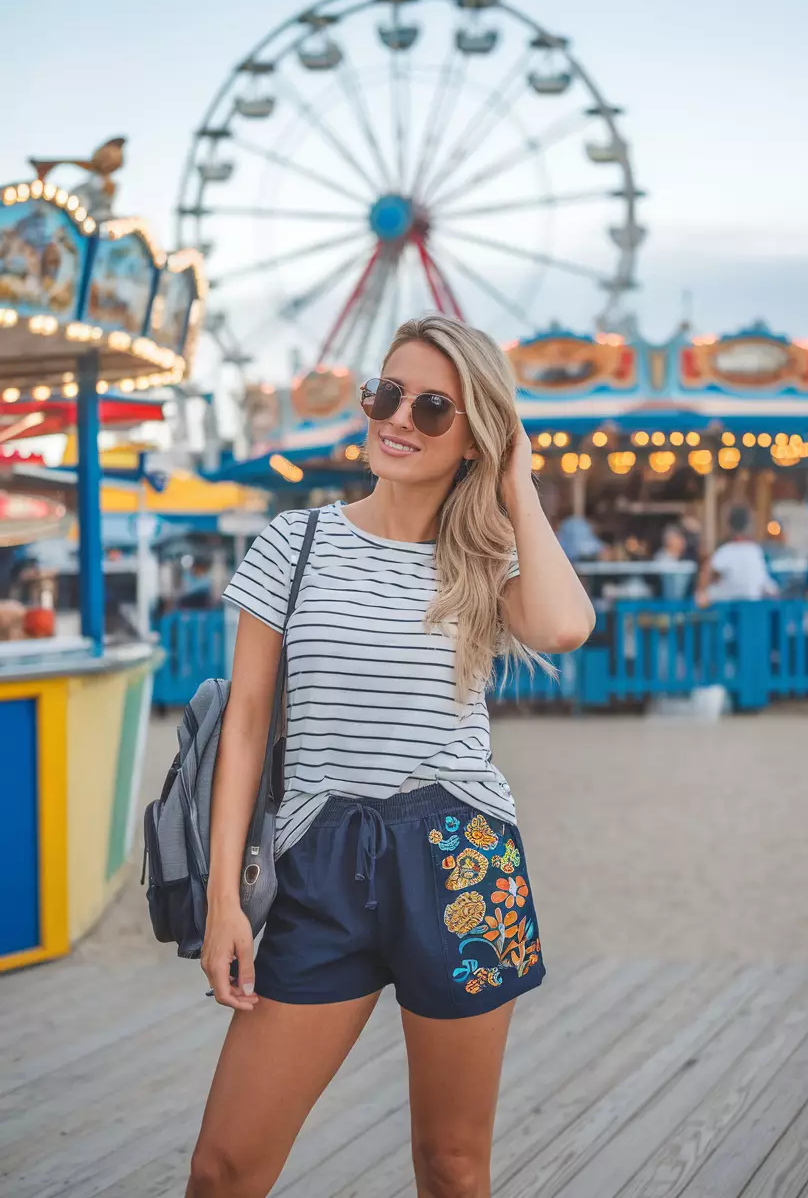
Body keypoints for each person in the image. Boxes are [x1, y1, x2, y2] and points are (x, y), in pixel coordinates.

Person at [187, 316, 596, 1198]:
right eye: (386, 393)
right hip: (320, 861)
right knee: (223, 1168)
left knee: (451, 1165)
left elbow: (565, 626)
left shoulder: (485, 560)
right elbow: (248, 726)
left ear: (475, 435)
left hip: (461, 858)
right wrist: (225, 897)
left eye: (435, 406)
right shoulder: (292, 546)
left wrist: (517, 477)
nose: (397, 417)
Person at [696, 505, 778, 604]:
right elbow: (767, 585)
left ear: (729, 526)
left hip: (730, 604)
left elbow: (706, 572)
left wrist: (700, 591)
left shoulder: (726, 551)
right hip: (753, 605)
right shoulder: (755, 550)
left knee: (704, 596)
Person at [655, 524, 691, 600]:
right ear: (670, 541)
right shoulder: (662, 559)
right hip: (665, 607)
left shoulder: (683, 559)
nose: (683, 542)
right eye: (679, 538)